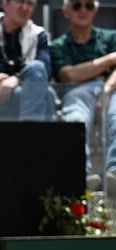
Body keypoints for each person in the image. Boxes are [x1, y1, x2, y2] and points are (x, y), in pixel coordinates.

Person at [49, 0, 116, 191]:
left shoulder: (111, 37)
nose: (83, 10)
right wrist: (110, 59)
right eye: (77, 5)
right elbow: (69, 75)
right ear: (65, 11)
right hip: (77, 93)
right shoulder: (58, 45)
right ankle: (81, 174)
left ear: (96, 10)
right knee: (75, 119)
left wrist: (106, 89)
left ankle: (115, 173)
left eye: (88, 5)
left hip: (111, 89)